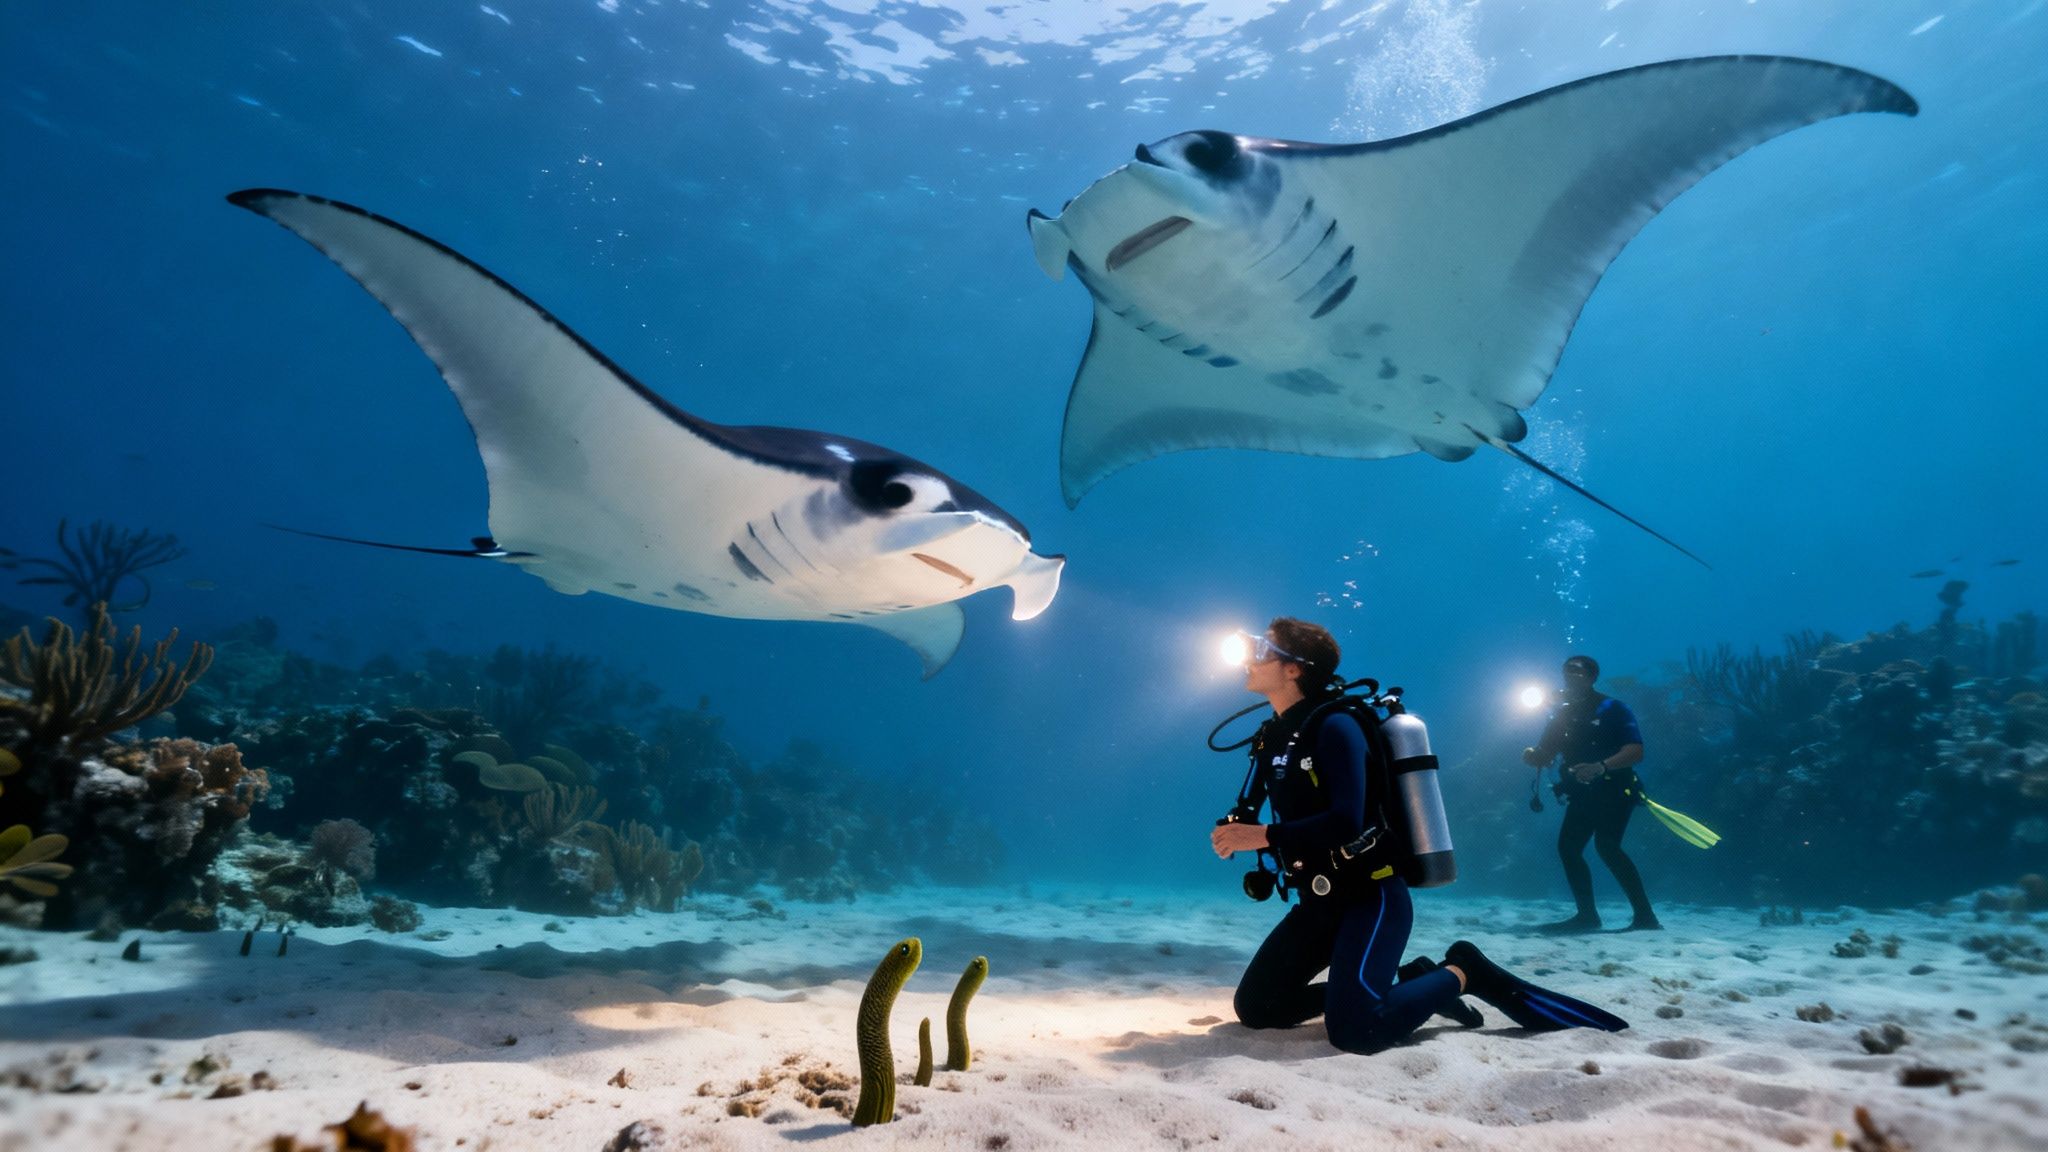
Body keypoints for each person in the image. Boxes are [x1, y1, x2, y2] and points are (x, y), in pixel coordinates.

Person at [1212, 618, 1627, 1052]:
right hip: (1319, 901)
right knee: (1259, 1006)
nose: (1249, 658)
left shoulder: (1337, 725)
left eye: (1262, 649)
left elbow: (1347, 822)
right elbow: (1253, 805)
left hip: (1368, 898)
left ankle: (1463, 971)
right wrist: (1236, 826)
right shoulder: (1274, 735)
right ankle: (1406, 987)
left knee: (1356, 1032)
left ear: (1294, 669)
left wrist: (1263, 836)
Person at [1522, 654, 1661, 933]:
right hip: (1582, 794)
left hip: (1615, 790)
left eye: (1578, 671)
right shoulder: (1559, 714)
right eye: (1567, 671)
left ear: (1592, 677)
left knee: (1607, 847)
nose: (1571, 676)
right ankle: (1587, 916)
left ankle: (1645, 917)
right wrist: (1535, 756)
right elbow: (1547, 753)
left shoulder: (1612, 708)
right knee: (1568, 848)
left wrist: (1600, 766)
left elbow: (1636, 751)